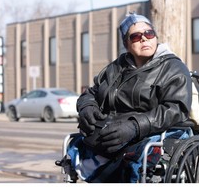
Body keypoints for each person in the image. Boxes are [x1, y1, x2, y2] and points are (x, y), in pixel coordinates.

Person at [75, 12, 192, 182]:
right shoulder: (115, 68)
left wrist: (136, 126)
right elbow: (92, 93)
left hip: (151, 131)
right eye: (136, 36)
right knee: (77, 144)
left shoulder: (173, 67)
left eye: (149, 33)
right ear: (126, 43)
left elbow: (175, 108)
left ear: (155, 37)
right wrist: (87, 107)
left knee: (129, 159)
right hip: (113, 130)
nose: (144, 39)